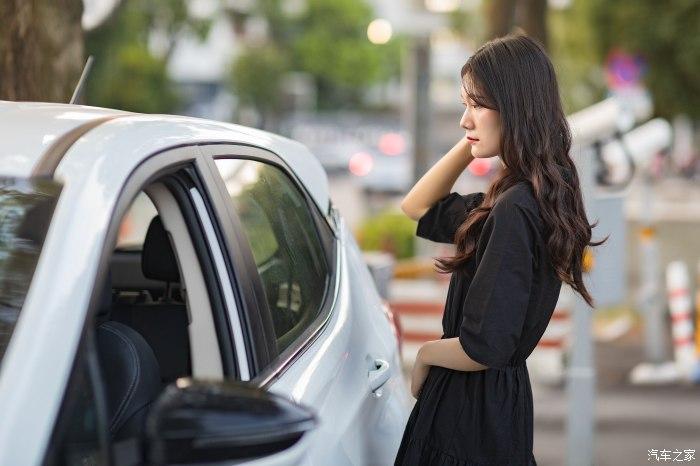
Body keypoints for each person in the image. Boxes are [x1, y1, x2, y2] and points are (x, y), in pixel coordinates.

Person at [394, 33, 607, 465]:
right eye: (464, 104)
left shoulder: (515, 207)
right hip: (492, 408)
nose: (463, 120)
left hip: (471, 415)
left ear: (516, 107)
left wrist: (424, 354)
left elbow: (483, 346)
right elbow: (417, 206)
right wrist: (477, 136)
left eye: (477, 104)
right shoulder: (517, 195)